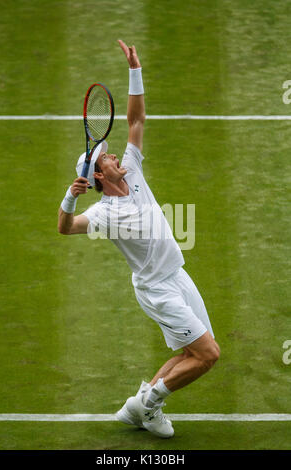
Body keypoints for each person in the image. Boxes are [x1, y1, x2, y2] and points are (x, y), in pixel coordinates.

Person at [58, 40, 220, 438]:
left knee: (194, 349)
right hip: (156, 289)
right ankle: (149, 405)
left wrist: (135, 68)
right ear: (99, 175)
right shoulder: (101, 214)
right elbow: (65, 228)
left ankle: (137, 406)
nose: (116, 157)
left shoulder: (132, 168)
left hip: (178, 275)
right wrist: (68, 197)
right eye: (107, 159)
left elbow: (136, 119)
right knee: (208, 355)